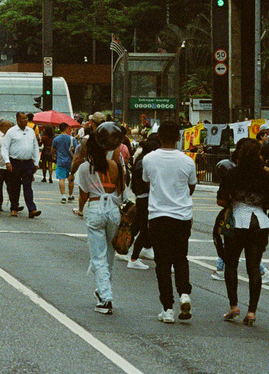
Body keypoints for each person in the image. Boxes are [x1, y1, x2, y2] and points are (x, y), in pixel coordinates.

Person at [217, 137, 269, 325]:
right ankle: (252, 311)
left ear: (241, 155)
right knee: (253, 267)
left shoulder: (232, 174)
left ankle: (233, 305)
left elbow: (220, 200)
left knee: (231, 264)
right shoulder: (265, 176)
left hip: (237, 221)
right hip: (259, 222)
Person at [142, 119, 196, 324]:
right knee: (181, 257)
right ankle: (184, 293)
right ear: (179, 137)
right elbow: (191, 187)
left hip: (158, 215)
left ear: (158, 137)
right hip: (182, 215)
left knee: (162, 263)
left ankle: (168, 308)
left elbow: (147, 182)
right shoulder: (187, 161)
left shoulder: (149, 159)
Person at [75, 123, 126, 314]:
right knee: (109, 255)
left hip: (96, 208)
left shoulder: (85, 168)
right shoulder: (115, 166)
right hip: (113, 210)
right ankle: (102, 290)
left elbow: (83, 195)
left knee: (98, 257)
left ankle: (106, 298)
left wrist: (80, 209)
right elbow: (122, 192)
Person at [127, 137, 159, 270]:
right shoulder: (144, 163)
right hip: (145, 198)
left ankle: (125, 247)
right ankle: (133, 258)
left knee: (137, 226)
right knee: (145, 229)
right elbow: (143, 183)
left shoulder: (141, 161)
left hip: (142, 198)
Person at [3, 112, 41, 218]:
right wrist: (7, 161)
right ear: (17, 119)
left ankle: (32, 209)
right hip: (15, 162)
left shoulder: (31, 131)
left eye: (26, 118)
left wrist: (36, 162)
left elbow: (35, 147)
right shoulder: (11, 132)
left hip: (28, 163)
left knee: (28, 186)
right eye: (23, 118)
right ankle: (14, 208)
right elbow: (5, 147)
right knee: (14, 186)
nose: (25, 120)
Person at [52, 123, 76, 204]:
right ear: (66, 128)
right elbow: (76, 150)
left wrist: (54, 157)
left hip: (60, 161)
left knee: (61, 179)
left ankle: (63, 196)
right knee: (71, 179)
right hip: (70, 162)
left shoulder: (56, 139)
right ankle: (70, 195)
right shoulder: (72, 139)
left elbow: (53, 150)